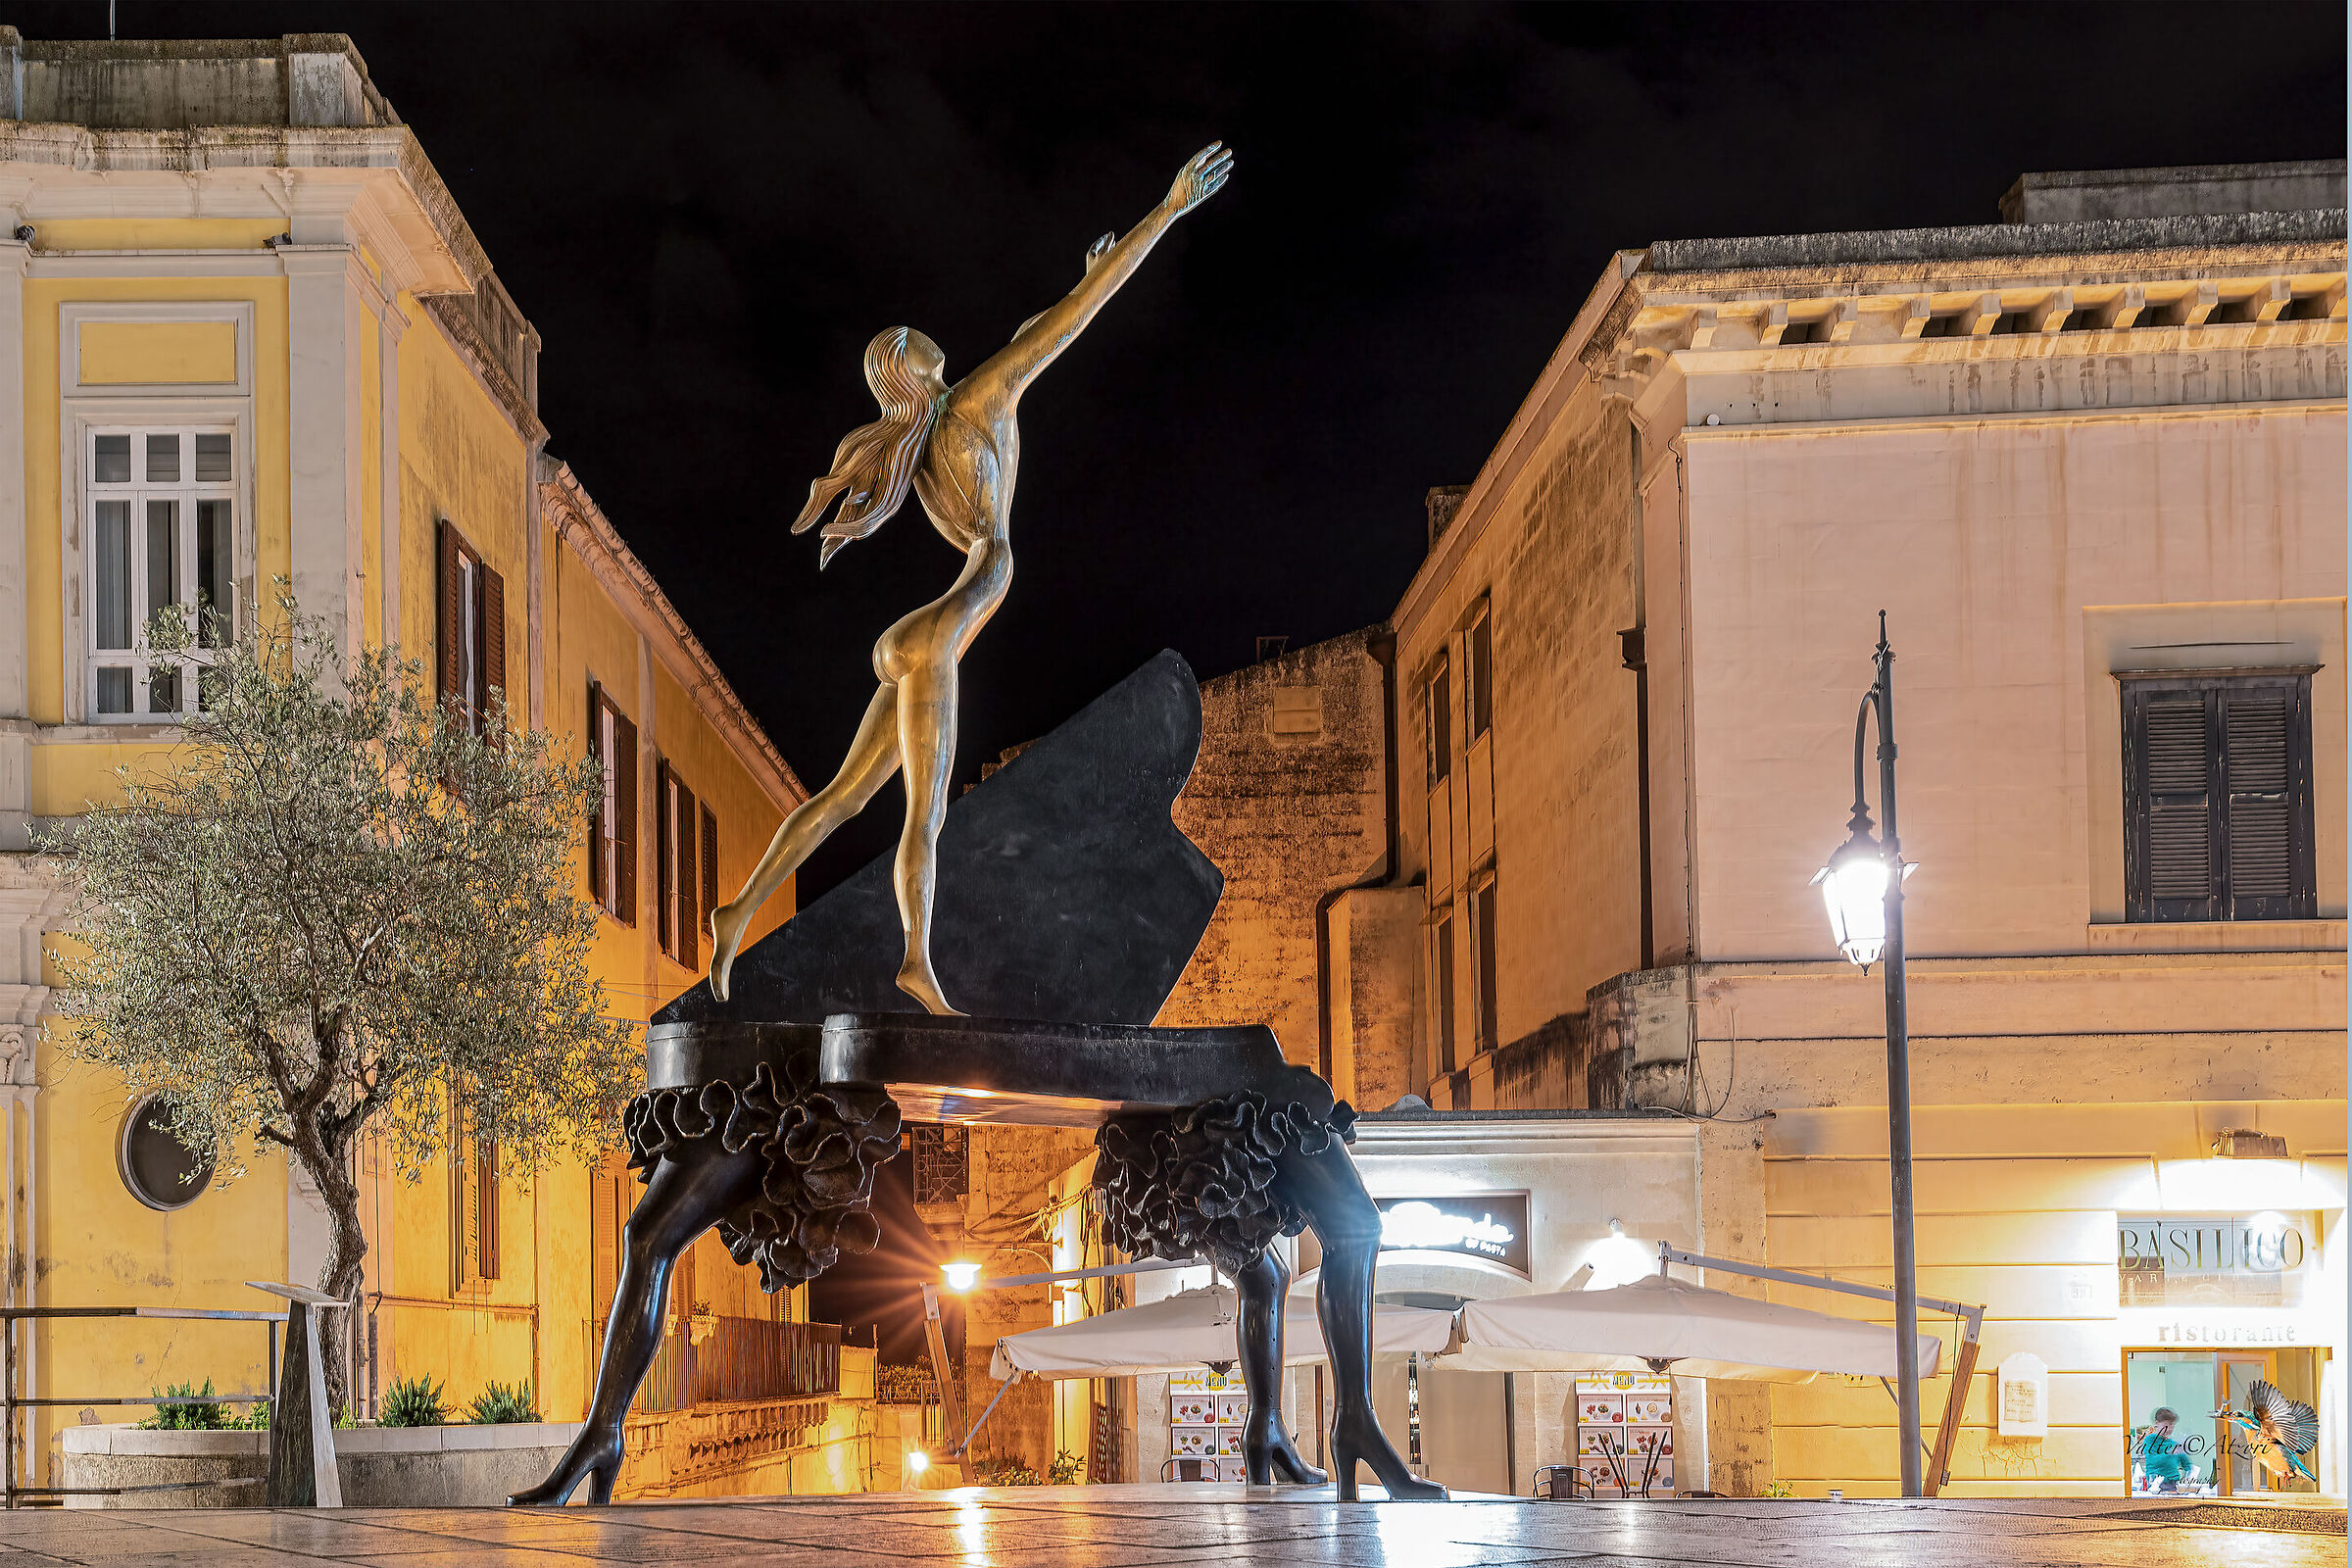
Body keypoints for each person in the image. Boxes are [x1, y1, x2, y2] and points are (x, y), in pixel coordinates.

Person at [708, 142, 1237, 1016]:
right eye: (910, 338)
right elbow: (1074, 321)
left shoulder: (926, 445)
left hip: (914, 640)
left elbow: (1043, 322)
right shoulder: (973, 405)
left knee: (841, 800)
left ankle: (735, 914)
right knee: (925, 817)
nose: (924, 331)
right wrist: (1168, 209)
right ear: (915, 369)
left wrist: (1086, 268)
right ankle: (917, 960)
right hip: (934, 639)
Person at [2134, 1407, 2195, 1494]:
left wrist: (2189, 1472)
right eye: (2166, 1425)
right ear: (2157, 1423)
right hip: (2155, 1484)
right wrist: (2170, 1453)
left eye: (2171, 1425)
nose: (2169, 1428)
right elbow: (2152, 1460)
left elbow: (2186, 1464)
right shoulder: (2150, 1440)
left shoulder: (2173, 1443)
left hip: (2173, 1484)